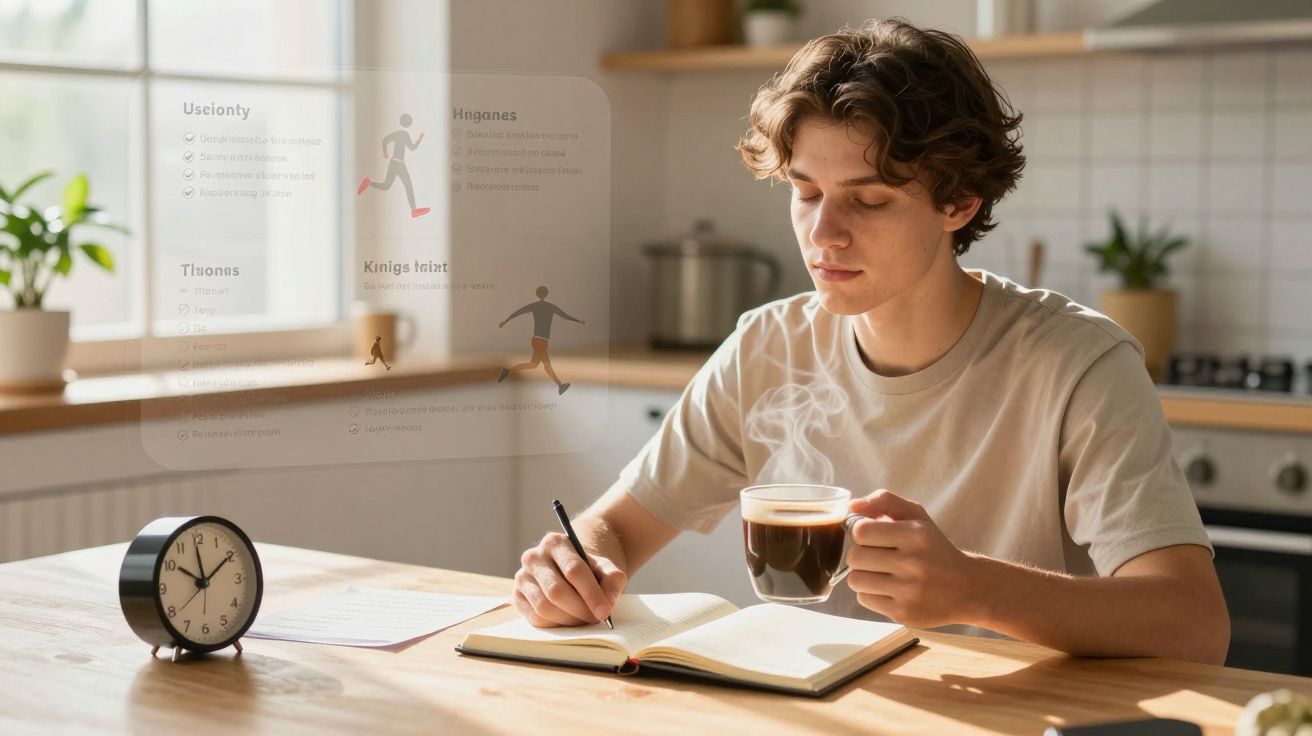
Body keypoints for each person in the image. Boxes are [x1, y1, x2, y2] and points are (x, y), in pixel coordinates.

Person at [510, 19, 1231, 665]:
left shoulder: (1077, 365)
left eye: (870, 199)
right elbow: (614, 530)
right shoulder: (767, 346)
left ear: (959, 202)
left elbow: (1194, 624)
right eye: (805, 191)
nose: (823, 234)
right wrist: (576, 569)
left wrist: (975, 589)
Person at [497, 286, 586, 395]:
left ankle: (507, 371)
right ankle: (560, 385)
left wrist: (506, 321)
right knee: (546, 364)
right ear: (546, 293)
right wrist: (578, 321)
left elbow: (519, 312)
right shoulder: (551, 307)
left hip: (539, 340)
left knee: (533, 364)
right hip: (540, 341)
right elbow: (564, 315)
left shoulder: (535, 306)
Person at [357, 113, 429, 218]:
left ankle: (368, 183)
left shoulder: (400, 133)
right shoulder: (404, 134)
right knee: (407, 185)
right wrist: (419, 139)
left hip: (395, 163)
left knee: (387, 186)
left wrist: (385, 152)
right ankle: (414, 210)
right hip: (398, 164)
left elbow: (385, 140)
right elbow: (412, 148)